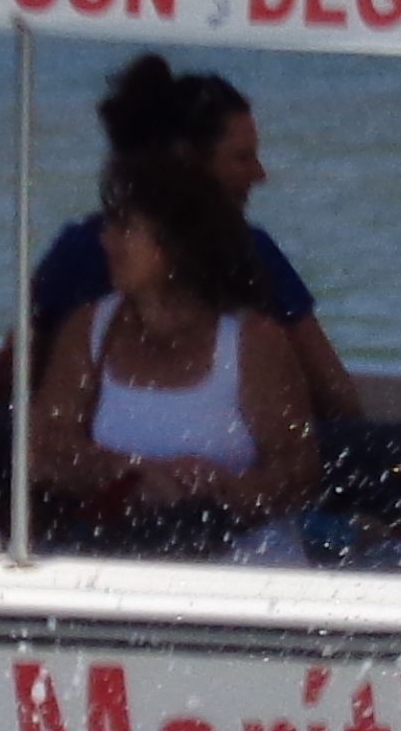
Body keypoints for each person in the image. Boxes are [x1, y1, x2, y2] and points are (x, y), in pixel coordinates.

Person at [25, 56, 367, 434]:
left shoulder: (72, 250)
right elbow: (338, 399)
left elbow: (5, 389)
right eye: (242, 158)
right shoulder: (252, 252)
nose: (260, 173)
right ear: (186, 164)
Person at [29, 150, 321, 557]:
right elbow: (42, 453)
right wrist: (128, 472)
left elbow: (299, 473)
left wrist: (222, 489)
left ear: (176, 246)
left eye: (124, 227)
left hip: (244, 565)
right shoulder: (88, 330)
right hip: (119, 559)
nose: (105, 240)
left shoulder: (254, 341)